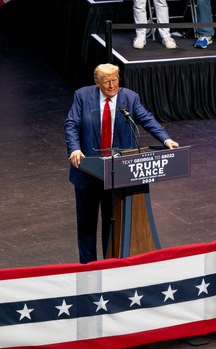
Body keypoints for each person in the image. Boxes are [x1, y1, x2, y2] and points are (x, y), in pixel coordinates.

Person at [65, 63, 180, 264]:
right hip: (88, 171)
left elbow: (147, 119)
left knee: (112, 222)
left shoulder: (130, 98)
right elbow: (71, 124)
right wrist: (75, 149)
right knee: (87, 225)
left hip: (116, 171)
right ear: (97, 82)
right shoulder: (82, 96)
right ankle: (88, 267)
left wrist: (166, 139)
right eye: (107, 81)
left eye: (115, 80)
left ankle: (110, 263)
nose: (112, 86)